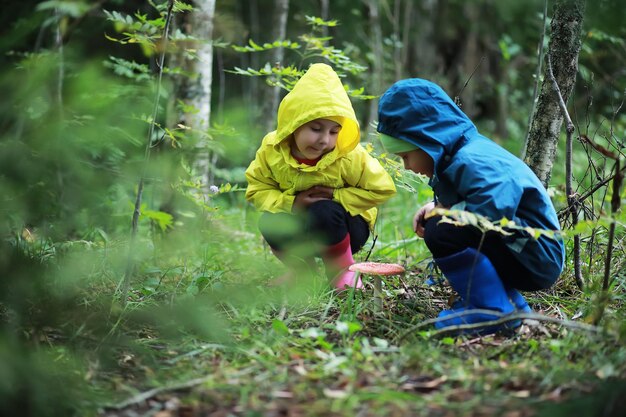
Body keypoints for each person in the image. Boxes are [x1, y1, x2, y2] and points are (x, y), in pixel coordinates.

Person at [377, 78, 565, 334]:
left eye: (406, 156)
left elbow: (493, 209)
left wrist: (444, 212)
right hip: (522, 248)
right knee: (442, 223)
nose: (407, 166)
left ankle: (492, 314)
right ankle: (509, 304)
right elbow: (474, 198)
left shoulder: (474, 158)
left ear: (427, 142)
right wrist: (437, 205)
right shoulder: (459, 155)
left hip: (535, 254)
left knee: (442, 230)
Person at [246, 63, 396, 290]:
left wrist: (337, 195)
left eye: (334, 131)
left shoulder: (348, 156)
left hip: (345, 228)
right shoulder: (272, 149)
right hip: (300, 225)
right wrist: (292, 203)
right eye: (315, 129)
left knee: (324, 210)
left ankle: (342, 272)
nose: (324, 140)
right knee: (269, 220)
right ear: (293, 125)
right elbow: (256, 188)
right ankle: (302, 273)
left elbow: (382, 188)